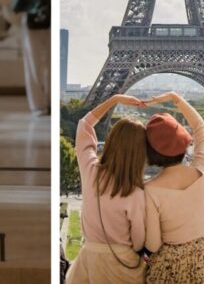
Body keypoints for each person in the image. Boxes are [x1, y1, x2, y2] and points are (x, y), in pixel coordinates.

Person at [141, 91, 204, 283]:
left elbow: (153, 244)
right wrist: (176, 98)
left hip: (170, 264)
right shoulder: (201, 170)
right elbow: (200, 127)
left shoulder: (150, 189)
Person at [66, 93, 148, 283]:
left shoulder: (90, 171)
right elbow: (138, 241)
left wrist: (114, 99)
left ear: (111, 141)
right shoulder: (135, 193)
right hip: (122, 264)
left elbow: (84, 125)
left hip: (90, 261)